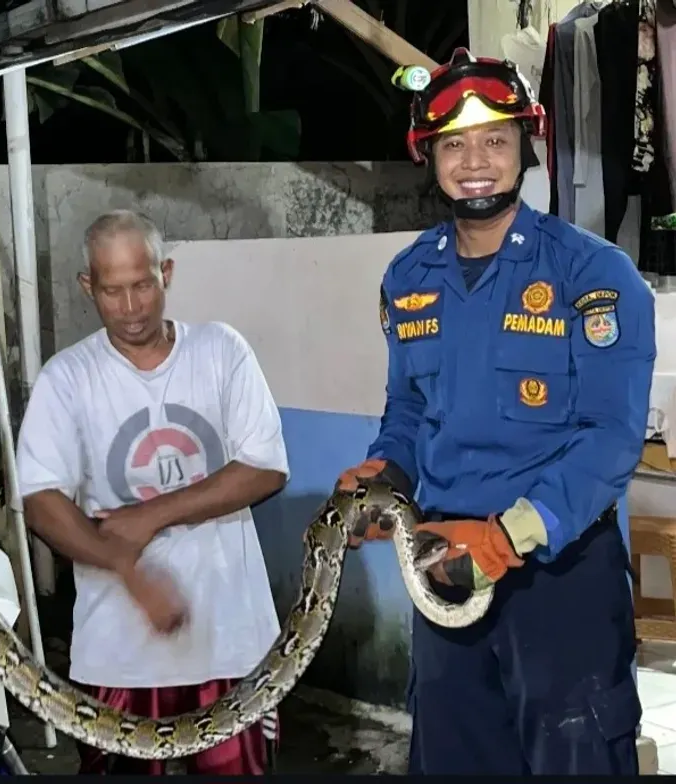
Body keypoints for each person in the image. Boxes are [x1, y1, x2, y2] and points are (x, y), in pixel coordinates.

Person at [339, 49, 654, 775]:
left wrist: (509, 536)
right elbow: (411, 411)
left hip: (560, 578)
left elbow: (610, 439)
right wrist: (384, 473)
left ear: (525, 147)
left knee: (574, 757)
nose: (473, 160)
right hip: (445, 566)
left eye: (494, 140)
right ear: (429, 155)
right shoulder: (409, 277)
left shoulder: (592, 275)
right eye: (454, 143)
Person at [15, 209, 289, 775]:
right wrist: (128, 567)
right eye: (112, 291)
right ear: (88, 286)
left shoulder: (221, 351)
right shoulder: (67, 378)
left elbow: (265, 468)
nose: (131, 306)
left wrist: (150, 517)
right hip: (118, 653)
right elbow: (42, 501)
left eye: (142, 284)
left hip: (230, 641)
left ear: (166, 272)